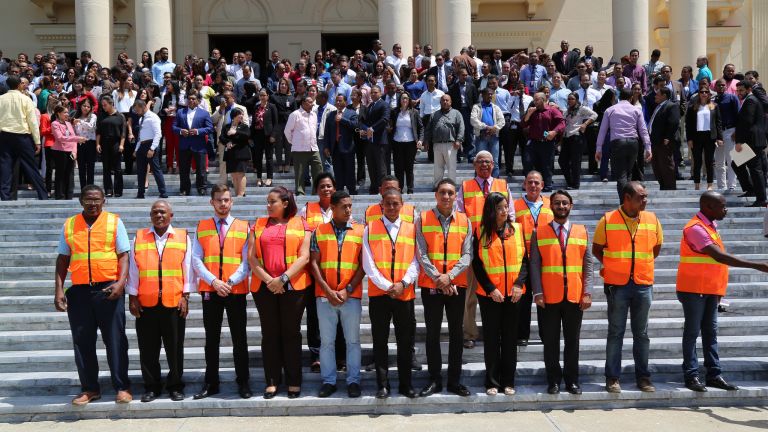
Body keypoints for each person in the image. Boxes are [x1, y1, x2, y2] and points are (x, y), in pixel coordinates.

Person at [677, 191, 768, 392]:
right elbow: (720, 257)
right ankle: (691, 375)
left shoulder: (710, 226)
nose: (726, 209)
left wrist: (719, 291)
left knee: (711, 333)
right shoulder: (695, 228)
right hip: (693, 289)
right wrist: (758, 265)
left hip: (709, 288)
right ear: (708, 207)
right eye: (722, 206)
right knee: (692, 333)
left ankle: (714, 374)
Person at [54, 185, 131, 405]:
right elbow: (62, 259)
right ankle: (89, 389)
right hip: (79, 292)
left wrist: (120, 283)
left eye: (97, 199)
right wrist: (59, 289)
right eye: (88, 200)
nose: (93, 203)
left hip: (108, 289)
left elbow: (124, 255)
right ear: (81, 201)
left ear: (104, 201)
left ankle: (122, 387)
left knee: (115, 340)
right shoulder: (70, 225)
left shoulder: (114, 222)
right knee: (82, 341)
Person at [592, 181, 663, 393]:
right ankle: (612, 377)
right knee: (616, 332)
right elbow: (597, 249)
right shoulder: (607, 219)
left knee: (642, 333)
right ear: (627, 198)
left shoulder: (652, 219)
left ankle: (643, 377)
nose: (645, 200)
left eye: (646, 196)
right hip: (617, 285)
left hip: (643, 283)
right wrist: (614, 266)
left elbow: (656, 248)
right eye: (641, 197)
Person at [249, 186, 312, 399]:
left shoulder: (302, 224)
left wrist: (283, 279)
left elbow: (304, 257)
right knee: (270, 334)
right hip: (264, 287)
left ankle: (294, 380)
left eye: (272, 202)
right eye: (267, 202)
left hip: (293, 287)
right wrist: (270, 281)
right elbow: (252, 258)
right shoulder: (258, 224)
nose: (268, 206)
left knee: (291, 333)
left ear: (285, 203)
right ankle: (272, 380)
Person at [127, 200, 192, 403]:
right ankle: (152, 387)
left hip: (173, 302)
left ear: (171, 215)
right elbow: (133, 270)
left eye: (163, 212)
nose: (159, 215)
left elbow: (188, 268)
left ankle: (175, 385)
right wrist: (132, 297)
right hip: (146, 303)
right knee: (148, 349)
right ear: (150, 216)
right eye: (155, 212)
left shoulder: (183, 237)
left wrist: (185, 296)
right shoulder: (139, 238)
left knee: (174, 347)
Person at [192, 184, 251, 400]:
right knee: (212, 339)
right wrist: (215, 282)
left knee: (240, 338)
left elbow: (247, 261)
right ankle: (211, 382)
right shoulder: (202, 225)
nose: (223, 204)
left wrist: (231, 280)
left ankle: (243, 381)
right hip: (211, 289)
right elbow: (196, 259)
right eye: (219, 200)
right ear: (212, 202)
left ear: (231, 202)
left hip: (236, 289)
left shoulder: (244, 226)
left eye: (226, 199)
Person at [530, 190, 593, 395]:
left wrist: (588, 292)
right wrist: (537, 292)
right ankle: (553, 380)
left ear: (571, 206)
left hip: (574, 296)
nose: (561, 206)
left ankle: (572, 380)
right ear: (551, 206)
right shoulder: (538, 232)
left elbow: (588, 266)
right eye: (557, 203)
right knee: (550, 342)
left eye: (565, 203)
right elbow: (534, 266)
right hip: (548, 297)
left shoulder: (582, 231)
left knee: (572, 342)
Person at [415, 178, 472, 397]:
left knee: (457, 334)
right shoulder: (423, 218)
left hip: (456, 285)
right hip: (432, 285)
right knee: (433, 334)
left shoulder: (465, 221)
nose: (446, 196)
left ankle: (454, 381)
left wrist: (450, 277)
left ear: (456, 196)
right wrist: (440, 278)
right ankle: (435, 380)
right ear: (436, 195)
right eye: (442, 192)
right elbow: (421, 253)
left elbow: (468, 254)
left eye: (450, 192)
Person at [362, 187, 420, 399]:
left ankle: (406, 385)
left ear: (402, 205)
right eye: (389, 203)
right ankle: (383, 385)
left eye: (396, 204)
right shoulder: (370, 228)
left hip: (404, 294)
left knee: (405, 342)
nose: (392, 207)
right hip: (380, 295)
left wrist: (403, 283)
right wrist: (388, 285)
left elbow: (416, 260)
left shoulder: (412, 228)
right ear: (382, 205)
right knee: (380, 341)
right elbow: (368, 263)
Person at [308, 190, 365, 398]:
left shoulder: (360, 231)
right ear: (332, 208)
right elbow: (313, 263)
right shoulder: (319, 231)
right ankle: (329, 381)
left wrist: (347, 289)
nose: (348, 209)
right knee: (327, 342)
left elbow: (363, 265)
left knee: (352, 341)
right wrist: (327, 290)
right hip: (325, 296)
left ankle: (353, 381)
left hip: (351, 295)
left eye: (350, 205)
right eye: (344, 206)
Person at [456, 151, 514, 349]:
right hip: (474, 246)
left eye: (487, 162)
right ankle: (470, 333)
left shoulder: (503, 185)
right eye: (480, 162)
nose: (484, 165)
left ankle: (497, 331)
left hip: (499, 247)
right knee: (470, 292)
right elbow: (461, 216)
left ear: (493, 164)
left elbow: (511, 214)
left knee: (498, 290)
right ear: (474, 165)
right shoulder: (465, 187)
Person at [471, 191, 528, 396]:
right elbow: (477, 264)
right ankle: (492, 382)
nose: (504, 211)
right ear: (491, 210)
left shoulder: (518, 229)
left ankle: (509, 381)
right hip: (490, 296)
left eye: (506, 207)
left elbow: (524, 261)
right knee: (492, 338)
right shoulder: (480, 231)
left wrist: (519, 284)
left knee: (510, 338)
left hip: (514, 294)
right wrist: (490, 289)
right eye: (500, 208)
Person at [298, 173, 338, 372]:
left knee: (337, 313)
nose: (326, 189)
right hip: (313, 271)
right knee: (314, 315)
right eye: (322, 186)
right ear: (316, 190)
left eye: (329, 186)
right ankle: (316, 354)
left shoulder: (342, 207)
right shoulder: (307, 209)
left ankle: (339, 354)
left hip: (337, 269)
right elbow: (301, 236)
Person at [513, 171, 554, 346]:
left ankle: (547, 334)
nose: (533, 186)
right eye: (530, 182)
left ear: (542, 185)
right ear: (524, 184)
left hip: (545, 259)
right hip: (523, 259)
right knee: (523, 299)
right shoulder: (515, 205)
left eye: (537, 182)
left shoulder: (553, 204)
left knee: (545, 298)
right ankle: (522, 334)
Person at [595, 88, 652, 200]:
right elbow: (643, 130)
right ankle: (630, 200)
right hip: (633, 143)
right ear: (631, 98)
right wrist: (648, 147)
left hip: (617, 143)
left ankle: (624, 202)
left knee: (621, 175)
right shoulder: (636, 110)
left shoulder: (610, 110)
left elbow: (602, 130)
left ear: (619, 97)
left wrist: (598, 148)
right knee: (628, 173)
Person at [0, 75, 46, 200]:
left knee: (5, 166)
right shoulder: (26, 99)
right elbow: (32, 122)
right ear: (19, 84)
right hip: (22, 137)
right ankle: (43, 195)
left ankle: (4, 197)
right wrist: (37, 141)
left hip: (4, 136)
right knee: (31, 167)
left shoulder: (0, 99)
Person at [732, 80, 767, 207]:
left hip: (751, 141)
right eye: (737, 90)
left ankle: (761, 199)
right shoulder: (748, 100)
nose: (739, 93)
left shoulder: (751, 100)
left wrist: (739, 142)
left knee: (755, 169)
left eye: (741, 90)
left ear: (749, 90)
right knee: (736, 164)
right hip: (751, 140)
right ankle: (751, 189)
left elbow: (747, 122)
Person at [522, 92, 565, 191]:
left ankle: (548, 185)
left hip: (547, 142)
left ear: (543, 100)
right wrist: (528, 114)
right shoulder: (532, 110)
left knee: (547, 164)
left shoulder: (552, 110)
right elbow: (523, 124)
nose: (535, 102)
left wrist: (554, 132)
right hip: (533, 142)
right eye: (534, 99)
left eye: (537, 99)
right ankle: (529, 184)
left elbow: (562, 123)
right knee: (527, 162)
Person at [174, 93, 214, 196]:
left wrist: (197, 131)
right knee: (184, 169)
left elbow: (210, 128)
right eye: (189, 98)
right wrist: (180, 131)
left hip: (199, 145)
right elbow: (174, 127)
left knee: (201, 169)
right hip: (184, 144)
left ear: (199, 101)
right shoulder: (180, 112)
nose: (191, 100)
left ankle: (202, 188)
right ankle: (184, 189)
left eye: (193, 98)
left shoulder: (204, 113)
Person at [686, 86, 723, 191]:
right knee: (697, 162)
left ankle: (709, 184)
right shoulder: (693, 107)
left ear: (709, 94)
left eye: (706, 92)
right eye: (702, 92)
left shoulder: (714, 106)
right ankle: (697, 184)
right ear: (699, 94)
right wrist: (689, 139)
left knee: (709, 161)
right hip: (696, 137)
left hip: (710, 137)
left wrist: (719, 137)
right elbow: (688, 124)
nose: (704, 93)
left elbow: (718, 123)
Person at [285, 96, 324, 196]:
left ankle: (316, 192)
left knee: (319, 169)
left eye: (312, 102)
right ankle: (300, 193)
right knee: (300, 173)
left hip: (313, 147)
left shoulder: (314, 115)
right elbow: (287, 131)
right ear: (303, 103)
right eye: (310, 102)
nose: (312, 104)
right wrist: (294, 142)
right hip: (299, 149)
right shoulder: (295, 114)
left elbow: (314, 130)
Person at [322, 94, 359, 195]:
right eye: (337, 101)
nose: (338, 103)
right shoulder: (331, 115)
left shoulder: (351, 113)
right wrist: (326, 146)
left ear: (345, 102)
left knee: (349, 169)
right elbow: (327, 132)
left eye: (340, 101)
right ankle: (339, 190)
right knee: (338, 170)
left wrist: (342, 119)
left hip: (348, 147)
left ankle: (352, 190)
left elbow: (355, 125)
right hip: (335, 147)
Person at [212, 90, 251, 187]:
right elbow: (212, 120)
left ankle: (237, 184)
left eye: (227, 98)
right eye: (223, 98)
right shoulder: (219, 108)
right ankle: (223, 183)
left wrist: (235, 133)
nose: (225, 100)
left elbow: (246, 124)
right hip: (223, 139)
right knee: (223, 162)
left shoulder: (242, 108)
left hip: (237, 141)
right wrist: (221, 110)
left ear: (233, 97)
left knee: (236, 162)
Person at [425, 94, 464, 186]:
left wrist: (458, 140)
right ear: (440, 102)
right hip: (437, 144)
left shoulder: (456, 113)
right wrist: (426, 141)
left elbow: (461, 127)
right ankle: (437, 185)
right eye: (443, 100)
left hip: (451, 144)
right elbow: (428, 129)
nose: (445, 102)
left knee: (451, 167)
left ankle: (451, 186)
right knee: (438, 167)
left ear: (451, 102)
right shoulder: (434, 114)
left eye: (447, 100)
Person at [559, 92, 597, 190]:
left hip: (576, 136)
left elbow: (594, 115)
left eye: (572, 99)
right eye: (569, 99)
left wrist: (585, 124)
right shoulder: (567, 111)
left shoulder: (581, 108)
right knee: (562, 160)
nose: (570, 101)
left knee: (575, 162)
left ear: (576, 100)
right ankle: (570, 181)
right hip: (567, 137)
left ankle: (575, 184)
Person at [132, 99, 167, 199]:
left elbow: (158, 134)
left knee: (156, 169)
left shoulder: (153, 117)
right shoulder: (141, 119)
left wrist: (152, 148)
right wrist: (136, 149)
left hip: (151, 144)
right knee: (140, 170)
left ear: (142, 107)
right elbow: (140, 136)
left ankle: (163, 192)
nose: (136, 112)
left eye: (137, 109)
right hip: (142, 145)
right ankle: (140, 193)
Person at [648, 87, 681, 190]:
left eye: (657, 94)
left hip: (665, 141)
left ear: (664, 96)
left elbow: (674, 122)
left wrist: (667, 137)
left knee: (666, 164)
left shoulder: (672, 106)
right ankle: (663, 185)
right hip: (656, 141)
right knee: (657, 165)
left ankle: (670, 187)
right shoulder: (658, 106)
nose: (655, 96)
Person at [390, 92, 423, 194]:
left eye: (406, 98)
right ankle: (399, 188)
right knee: (398, 167)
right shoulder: (394, 112)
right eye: (402, 98)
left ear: (409, 100)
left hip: (410, 143)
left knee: (409, 167)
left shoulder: (414, 112)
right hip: (397, 142)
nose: (404, 100)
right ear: (400, 100)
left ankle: (410, 188)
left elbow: (421, 127)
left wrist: (420, 140)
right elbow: (390, 124)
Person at [50, 104, 85, 200]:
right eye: (65, 112)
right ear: (58, 113)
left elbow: (73, 139)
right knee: (60, 173)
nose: (67, 114)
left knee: (70, 174)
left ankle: (69, 195)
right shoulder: (55, 124)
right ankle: (60, 195)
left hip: (70, 151)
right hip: (60, 151)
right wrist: (77, 139)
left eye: (67, 112)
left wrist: (74, 152)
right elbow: (60, 138)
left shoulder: (68, 124)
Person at [361, 85, 391, 194]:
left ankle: (383, 189)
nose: (373, 94)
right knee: (371, 165)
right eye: (371, 93)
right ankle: (374, 188)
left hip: (380, 141)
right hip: (369, 141)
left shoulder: (384, 105)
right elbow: (366, 122)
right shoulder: (370, 106)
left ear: (381, 92)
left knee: (381, 167)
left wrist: (372, 128)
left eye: (375, 92)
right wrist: (363, 129)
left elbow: (385, 119)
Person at [95, 95, 127, 197]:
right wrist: (97, 144)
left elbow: (123, 133)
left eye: (105, 105)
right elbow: (98, 132)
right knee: (106, 168)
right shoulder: (101, 116)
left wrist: (121, 145)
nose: (103, 107)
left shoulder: (120, 116)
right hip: (104, 143)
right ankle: (108, 190)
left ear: (111, 104)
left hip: (116, 143)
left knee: (117, 168)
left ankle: (118, 190)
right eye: (102, 105)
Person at [470, 88, 505, 178]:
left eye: (491, 94)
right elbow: (473, 120)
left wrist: (494, 128)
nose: (490, 96)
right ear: (482, 95)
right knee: (480, 161)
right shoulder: (476, 107)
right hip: (482, 136)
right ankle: (478, 182)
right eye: (488, 94)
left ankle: (495, 183)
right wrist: (485, 126)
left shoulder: (496, 107)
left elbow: (502, 121)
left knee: (495, 162)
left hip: (494, 136)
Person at [713, 79, 739, 191]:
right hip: (718, 134)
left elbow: (739, 115)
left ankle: (732, 185)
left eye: (723, 85)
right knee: (719, 161)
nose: (721, 87)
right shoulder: (712, 100)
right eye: (719, 85)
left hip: (730, 131)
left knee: (731, 160)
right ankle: (721, 186)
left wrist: (737, 131)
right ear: (715, 87)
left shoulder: (732, 97)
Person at [219, 108, 251, 197]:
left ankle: (241, 194)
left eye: (242, 114)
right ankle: (237, 194)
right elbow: (221, 137)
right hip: (230, 154)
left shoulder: (244, 126)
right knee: (233, 174)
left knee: (240, 173)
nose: (241, 116)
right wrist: (227, 142)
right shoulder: (226, 126)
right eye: (239, 114)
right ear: (234, 116)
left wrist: (236, 132)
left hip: (241, 153)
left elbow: (247, 135)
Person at [251, 88, 278, 187]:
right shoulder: (256, 107)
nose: (262, 97)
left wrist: (273, 135)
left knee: (269, 157)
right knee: (258, 157)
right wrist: (251, 135)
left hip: (268, 135)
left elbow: (276, 123)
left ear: (268, 96)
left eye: (264, 95)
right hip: (257, 134)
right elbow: (253, 122)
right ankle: (259, 178)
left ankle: (269, 178)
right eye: (260, 95)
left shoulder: (272, 107)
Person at [73, 98, 97, 189]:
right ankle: (83, 188)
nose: (86, 108)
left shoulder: (93, 116)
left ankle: (90, 188)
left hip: (90, 143)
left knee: (90, 167)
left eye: (88, 106)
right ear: (80, 106)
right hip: (79, 144)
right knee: (81, 168)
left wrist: (80, 121)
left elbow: (91, 126)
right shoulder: (76, 116)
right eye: (84, 106)